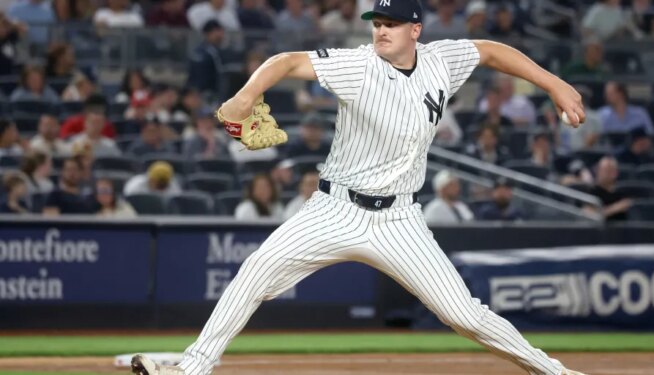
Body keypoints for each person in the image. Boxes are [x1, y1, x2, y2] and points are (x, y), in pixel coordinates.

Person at [130, 0, 587, 373]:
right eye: (376, 22)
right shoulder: (358, 65)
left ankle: (554, 373)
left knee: (464, 315)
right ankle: (192, 368)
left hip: (400, 219)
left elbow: (490, 51)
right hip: (335, 209)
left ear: (416, 29)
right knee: (256, 271)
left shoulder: (441, 61)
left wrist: (555, 85)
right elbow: (286, 61)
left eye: (391, 23)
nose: (380, 30)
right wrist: (244, 97)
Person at [186, 19, 225, 97]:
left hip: (195, 92)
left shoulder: (197, 49)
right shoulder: (212, 53)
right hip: (208, 93)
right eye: (217, 31)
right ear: (208, 34)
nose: (221, 35)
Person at [586, 157, 631, 222]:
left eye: (611, 170)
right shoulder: (592, 192)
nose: (609, 174)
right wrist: (615, 208)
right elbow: (588, 216)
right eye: (605, 170)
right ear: (597, 171)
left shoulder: (621, 193)